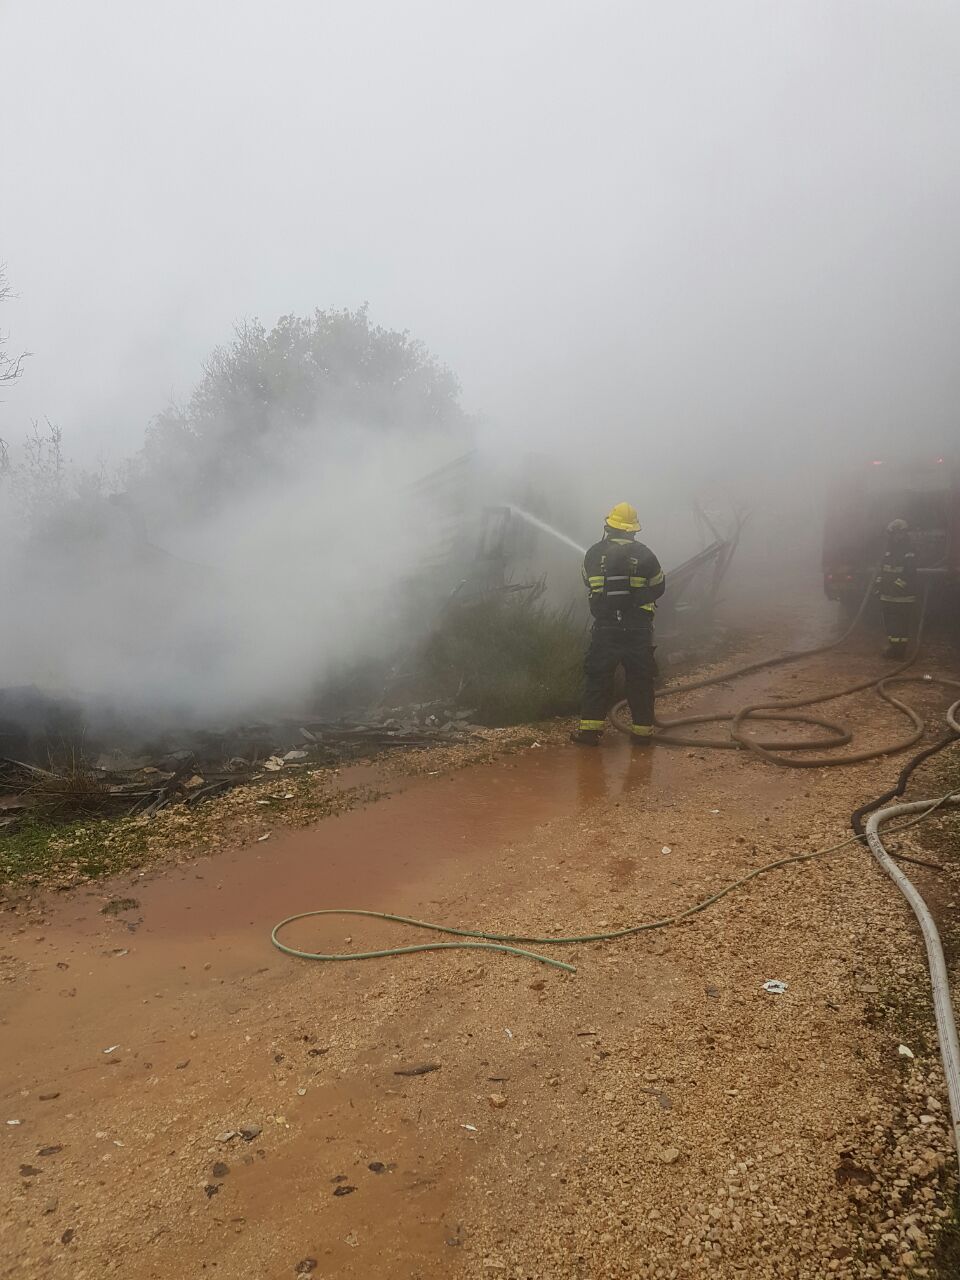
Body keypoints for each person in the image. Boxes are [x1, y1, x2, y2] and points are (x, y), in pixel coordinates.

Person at [571, 502, 665, 746]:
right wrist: (636, 599)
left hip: (606, 626)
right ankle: (642, 733)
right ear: (632, 530)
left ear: (609, 527)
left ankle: (589, 733)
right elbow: (659, 586)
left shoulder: (594, 553)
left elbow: (587, 581)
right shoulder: (645, 554)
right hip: (638, 628)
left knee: (598, 677)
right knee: (640, 679)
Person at [875, 518, 917, 659]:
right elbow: (883, 571)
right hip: (887, 595)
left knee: (901, 625)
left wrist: (896, 586)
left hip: (903, 597)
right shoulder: (888, 552)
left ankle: (900, 651)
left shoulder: (909, 552)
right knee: (890, 625)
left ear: (905, 533)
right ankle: (893, 649)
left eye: (899, 533)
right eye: (893, 534)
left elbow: (909, 574)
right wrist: (879, 585)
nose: (896, 536)